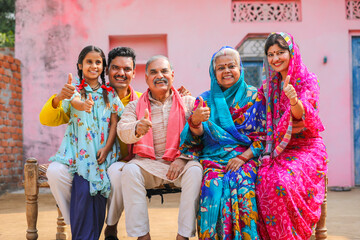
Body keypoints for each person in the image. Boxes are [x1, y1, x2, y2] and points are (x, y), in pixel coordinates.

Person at [41, 46, 141, 240]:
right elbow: (51, 116)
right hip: (82, 154)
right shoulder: (75, 91)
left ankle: (110, 226)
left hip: (114, 159)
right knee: (55, 172)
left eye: (126, 69)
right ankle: (78, 223)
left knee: (117, 175)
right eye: (116, 68)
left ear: (133, 73)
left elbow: (119, 121)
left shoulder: (135, 99)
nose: (121, 73)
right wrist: (60, 98)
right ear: (108, 70)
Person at [179, 46, 266, 239]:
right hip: (213, 160)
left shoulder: (255, 97)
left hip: (246, 157)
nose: (226, 71)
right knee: (212, 189)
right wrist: (195, 121)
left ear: (240, 69)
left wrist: (243, 157)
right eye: (220, 68)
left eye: (231, 66)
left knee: (243, 187)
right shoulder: (204, 100)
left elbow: (263, 137)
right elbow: (195, 139)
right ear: (213, 72)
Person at [117, 55, 202, 240]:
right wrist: (137, 128)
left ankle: (183, 236)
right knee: (130, 170)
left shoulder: (188, 103)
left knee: (195, 171)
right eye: (153, 72)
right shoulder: (134, 106)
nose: (159, 75)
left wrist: (183, 158)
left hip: (180, 164)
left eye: (164, 71)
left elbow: (202, 136)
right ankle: (142, 236)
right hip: (148, 164)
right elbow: (122, 130)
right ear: (146, 78)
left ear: (172, 75)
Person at [255, 32, 328, 239]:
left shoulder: (308, 80)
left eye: (280, 52)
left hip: (306, 147)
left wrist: (293, 100)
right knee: (262, 179)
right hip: (279, 149)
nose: (275, 59)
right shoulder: (270, 85)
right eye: (270, 54)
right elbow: (253, 105)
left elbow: (305, 116)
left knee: (281, 183)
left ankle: (292, 235)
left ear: (291, 52)